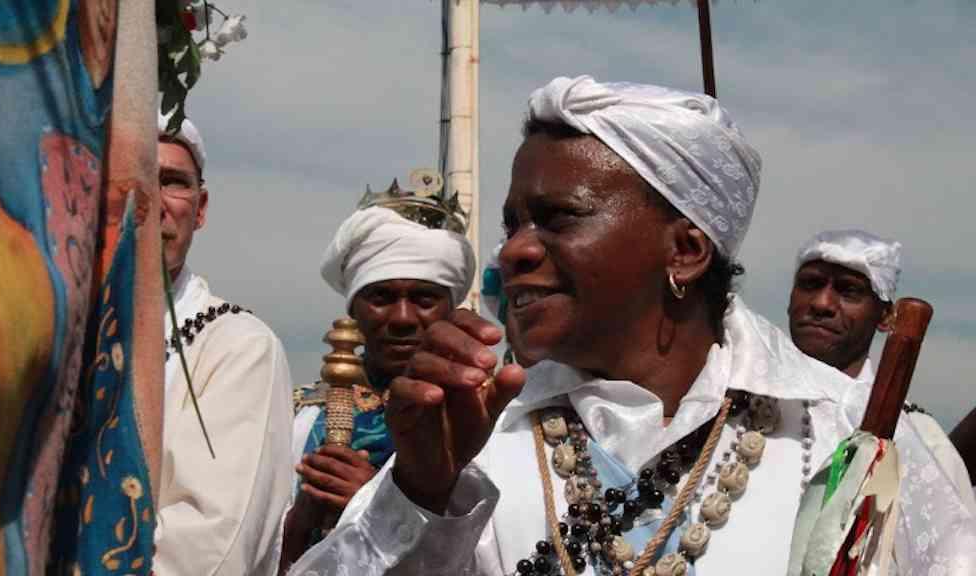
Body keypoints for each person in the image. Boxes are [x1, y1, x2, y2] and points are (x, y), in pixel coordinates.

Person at [287, 76, 976, 575]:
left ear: (685, 250)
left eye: (559, 218)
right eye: (513, 224)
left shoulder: (848, 434)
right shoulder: (478, 434)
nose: (515, 251)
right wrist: (421, 496)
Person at [281, 180, 476, 564]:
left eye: (423, 299)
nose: (402, 318)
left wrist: (374, 501)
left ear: (451, 309)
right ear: (354, 309)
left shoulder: (482, 419)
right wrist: (304, 513)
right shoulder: (299, 417)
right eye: (382, 298)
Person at [154, 114, 295, 575]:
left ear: (200, 208)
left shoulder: (238, 346)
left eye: (172, 182)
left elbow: (211, 548)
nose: (152, 202)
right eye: (131, 177)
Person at [788, 230, 975, 510]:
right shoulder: (731, 400)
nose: (821, 303)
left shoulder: (921, 439)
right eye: (810, 284)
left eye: (848, 290)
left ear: (886, 317)